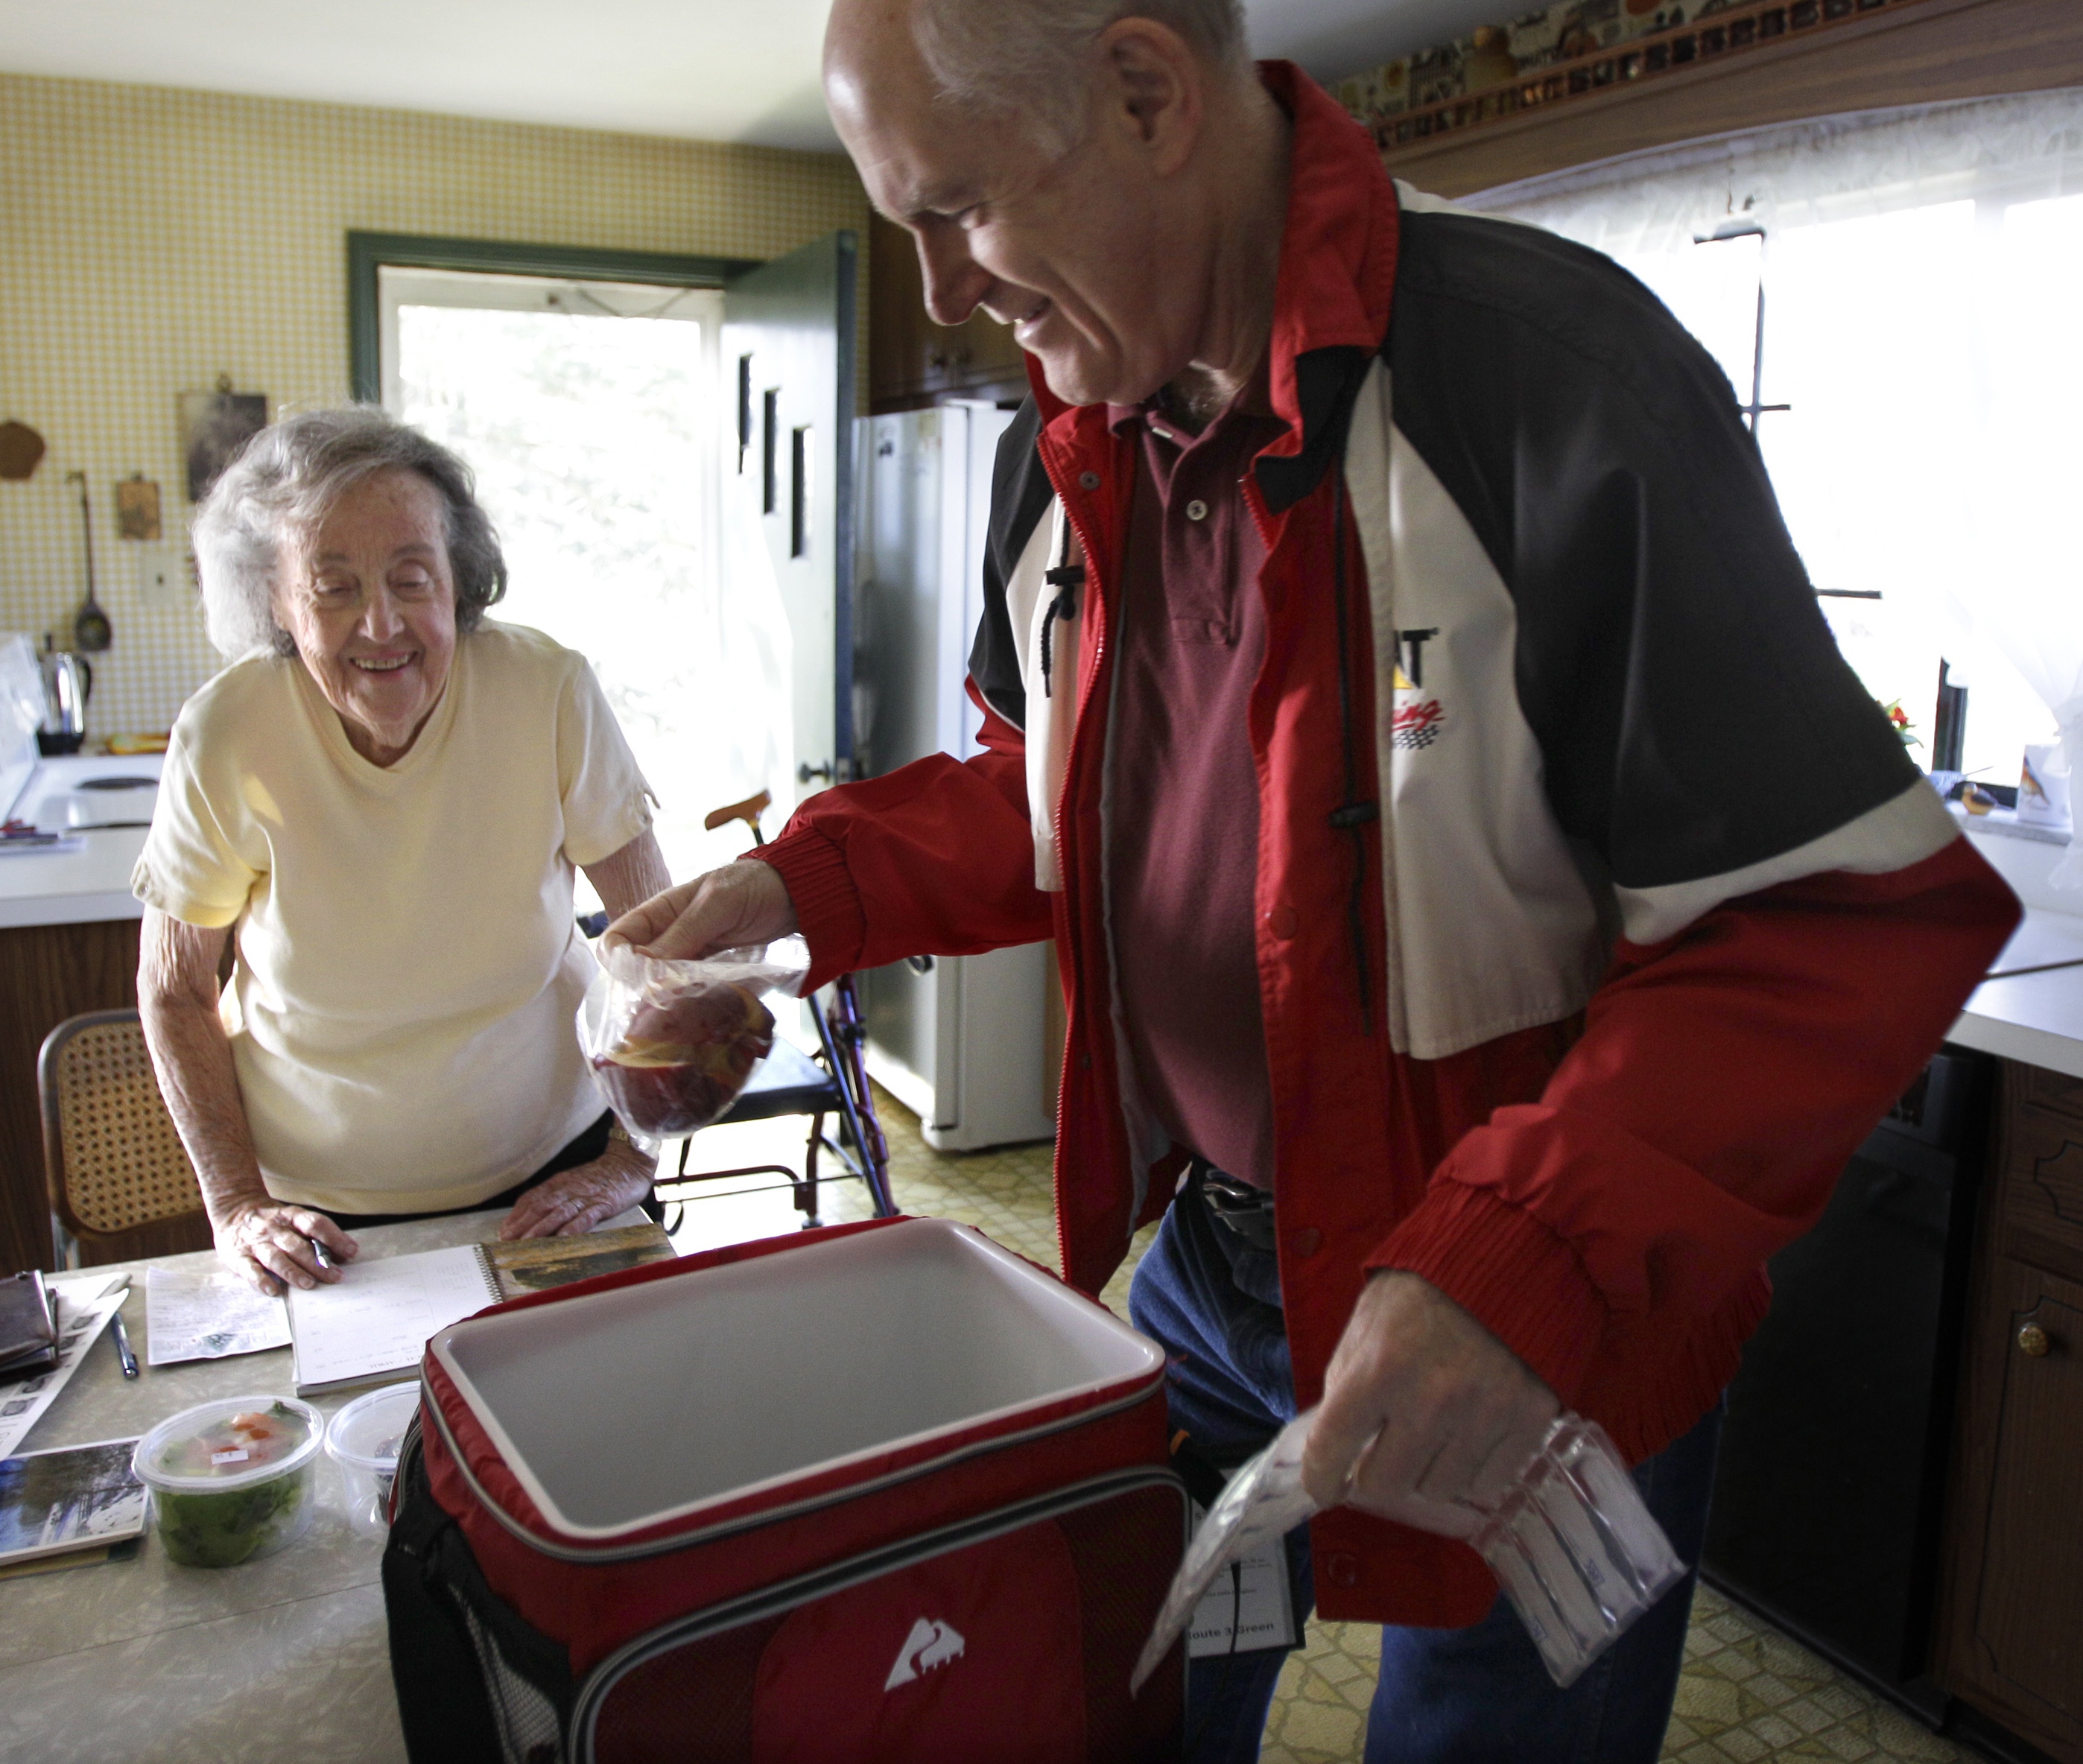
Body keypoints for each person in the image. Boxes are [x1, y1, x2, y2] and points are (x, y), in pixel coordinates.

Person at [610, 2, 2022, 1760]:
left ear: (1143, 92)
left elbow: (1832, 917)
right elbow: (1050, 790)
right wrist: (796, 889)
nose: (940, 292)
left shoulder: (1542, 379)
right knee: (1126, 1703)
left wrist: (1516, 1264)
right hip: (1212, 1278)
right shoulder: (1060, 446)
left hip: (1533, 1326)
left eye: (956, 208)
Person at [136, 407, 668, 1297]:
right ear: (276, 600)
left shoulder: (545, 692)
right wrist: (233, 1203)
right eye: (333, 586)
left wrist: (632, 1152)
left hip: (555, 1173)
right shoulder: (228, 733)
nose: (380, 624)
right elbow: (175, 987)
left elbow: (659, 939)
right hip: (322, 1220)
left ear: (457, 582)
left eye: (411, 578)